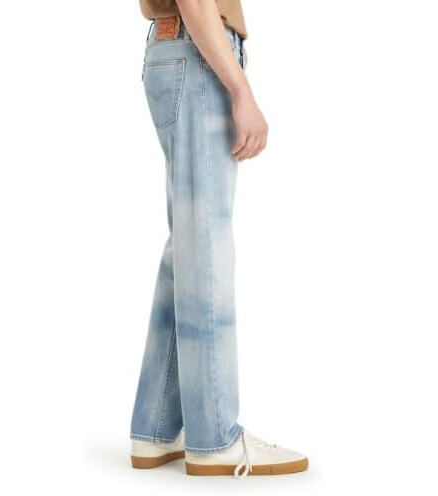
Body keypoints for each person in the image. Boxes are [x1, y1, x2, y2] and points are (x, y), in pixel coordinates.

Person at [129, 0, 308, 477]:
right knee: (204, 251)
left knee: (189, 251)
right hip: (199, 54)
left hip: (181, 50)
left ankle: (155, 427)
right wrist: (240, 87)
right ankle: (214, 439)